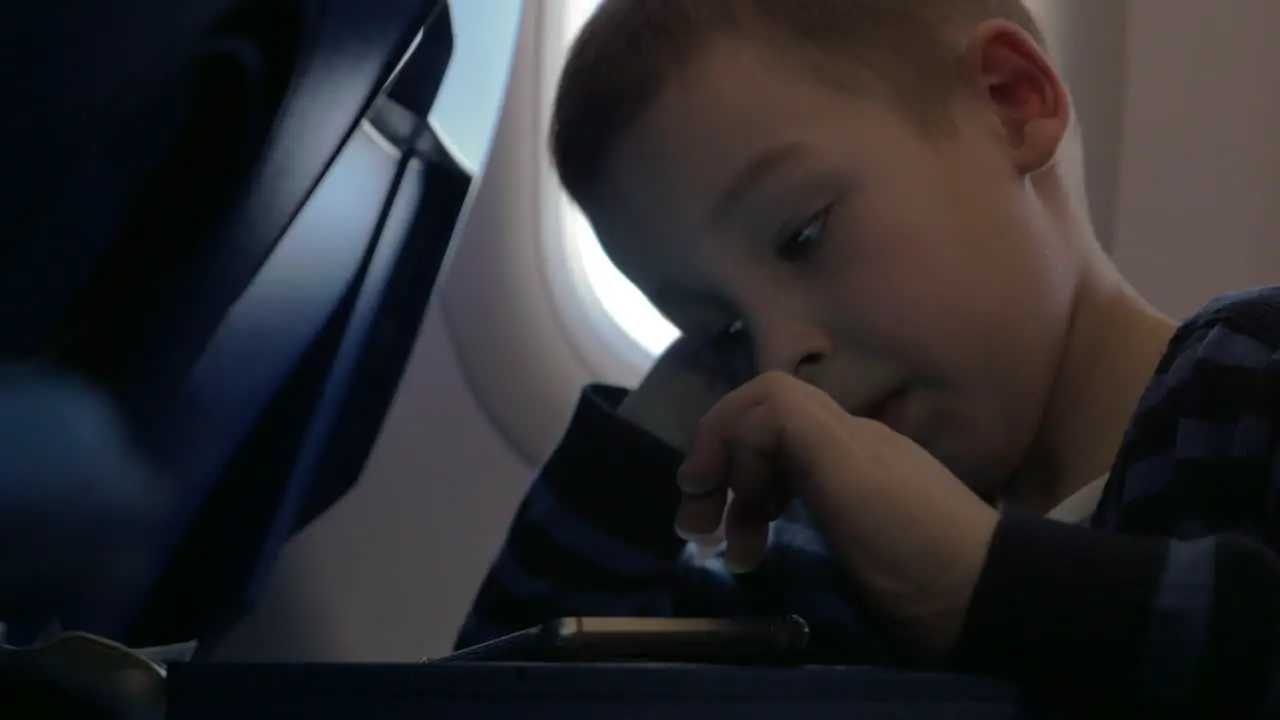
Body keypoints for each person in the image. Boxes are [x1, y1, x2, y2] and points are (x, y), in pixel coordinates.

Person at [456, 0, 1280, 715]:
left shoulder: (1246, 390)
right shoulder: (822, 560)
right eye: (726, 335)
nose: (779, 355)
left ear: (1009, 103)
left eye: (803, 235)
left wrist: (984, 588)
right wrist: (645, 447)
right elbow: (508, 700)